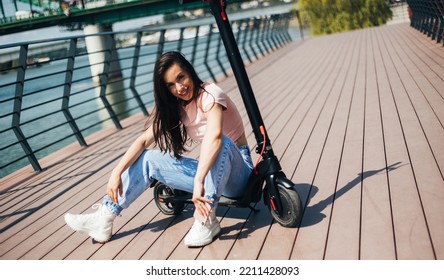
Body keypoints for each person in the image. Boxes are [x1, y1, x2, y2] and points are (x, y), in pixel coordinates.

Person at [64, 51, 253, 247]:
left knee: (220, 140)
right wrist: (116, 172)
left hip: (239, 174)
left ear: (189, 70)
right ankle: (104, 218)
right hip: (210, 173)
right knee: (148, 159)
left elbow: (214, 138)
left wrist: (199, 180)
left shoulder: (211, 94)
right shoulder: (179, 106)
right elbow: (144, 140)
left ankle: (206, 220)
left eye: (181, 77)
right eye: (171, 85)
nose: (179, 88)